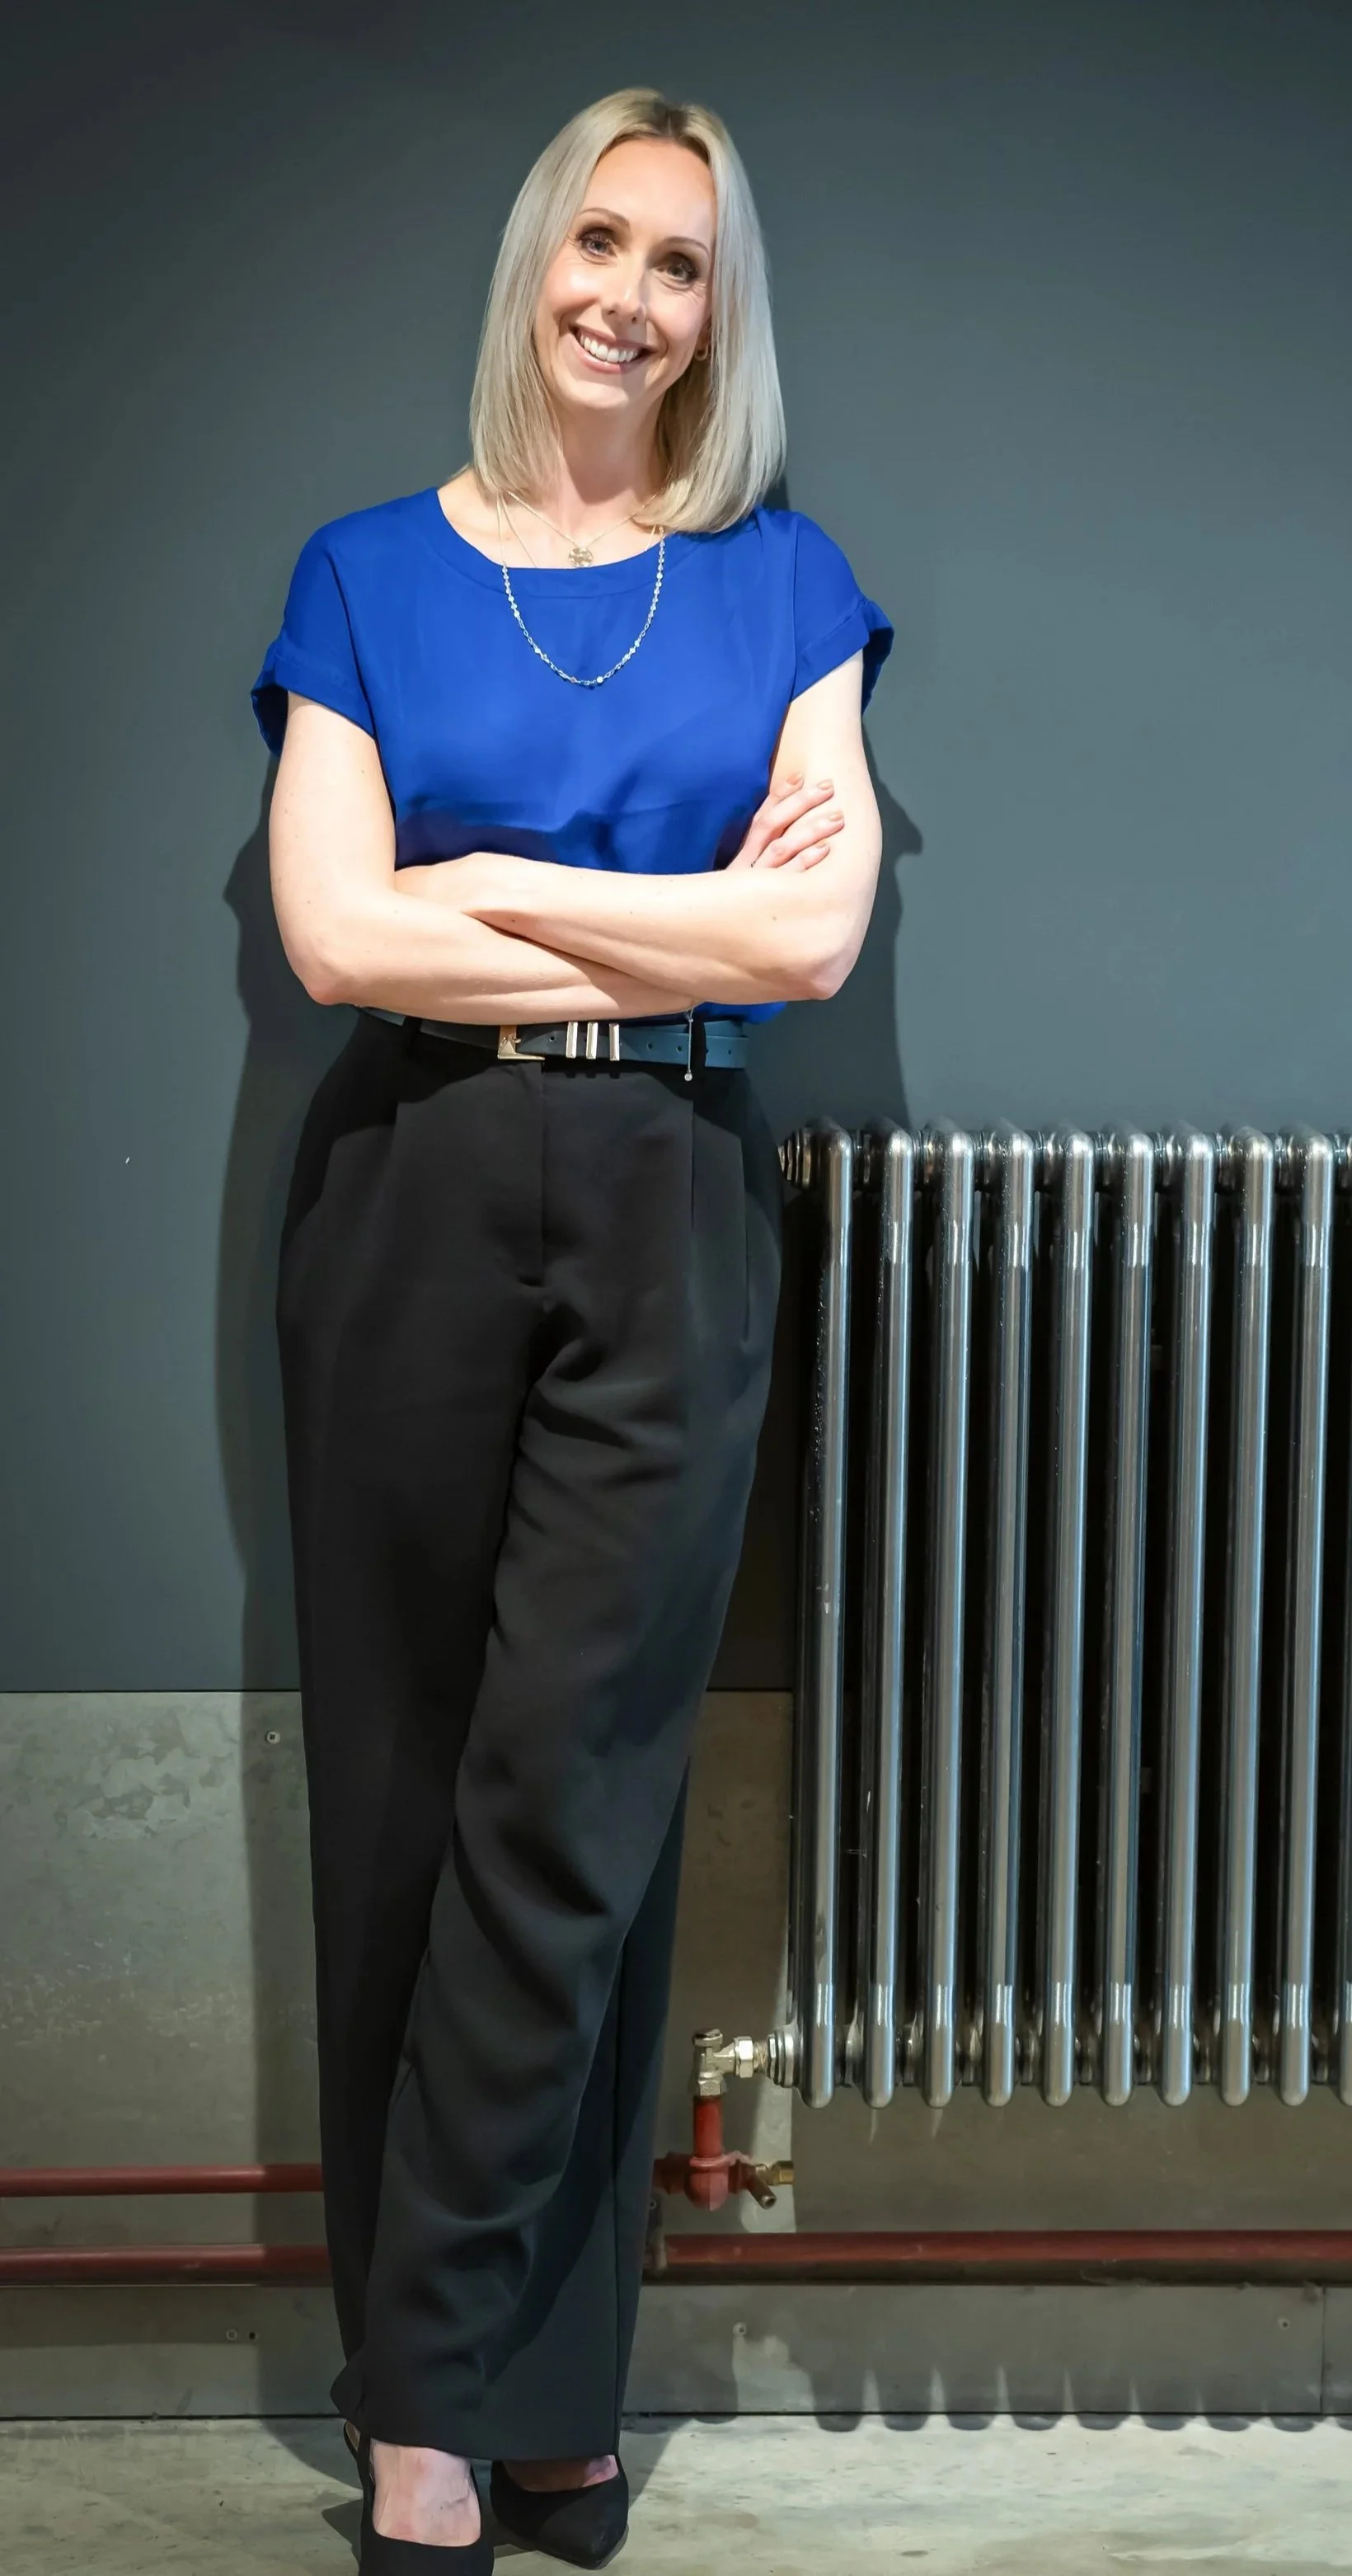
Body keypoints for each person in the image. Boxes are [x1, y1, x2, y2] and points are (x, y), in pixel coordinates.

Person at [252, 87, 890, 2569]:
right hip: (411, 1184)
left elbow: (805, 948)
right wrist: (643, 899)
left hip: (671, 1190)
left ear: (725, 310)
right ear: (539, 259)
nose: (631, 293)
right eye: (599, 240)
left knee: (582, 1803)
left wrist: (482, 863)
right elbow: (335, 938)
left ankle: (521, 2371)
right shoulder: (363, 574)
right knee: (409, 1791)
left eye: (686, 262)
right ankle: (449, 2401)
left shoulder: (785, 584)